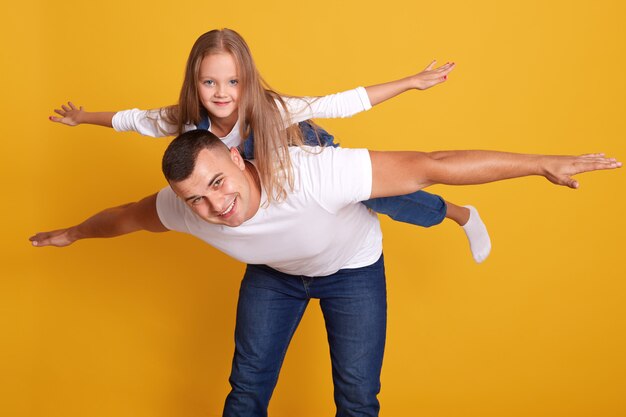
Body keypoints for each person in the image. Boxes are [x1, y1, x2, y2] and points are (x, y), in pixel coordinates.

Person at [30, 129, 621, 417]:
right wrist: (76, 233)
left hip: (351, 270)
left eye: (217, 183)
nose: (214, 206)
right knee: (246, 390)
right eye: (195, 199)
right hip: (275, 275)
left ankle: (459, 218)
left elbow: (432, 164)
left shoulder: (313, 172)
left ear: (239, 158)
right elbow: (128, 217)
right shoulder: (188, 210)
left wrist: (540, 162)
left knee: (358, 397)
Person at [49, 28, 492, 262]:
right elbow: (129, 120)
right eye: (209, 82)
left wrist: (411, 82)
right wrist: (82, 117)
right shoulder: (180, 117)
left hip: (303, 150)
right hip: (252, 186)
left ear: (248, 80)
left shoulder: (273, 109)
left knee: (382, 198)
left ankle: (458, 214)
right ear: (195, 83)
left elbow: (340, 103)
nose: (222, 94)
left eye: (233, 82)